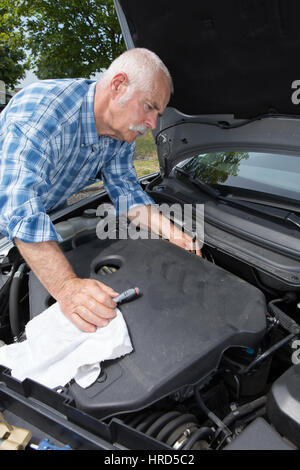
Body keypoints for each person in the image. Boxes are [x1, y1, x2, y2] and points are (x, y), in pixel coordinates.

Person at [0, 48, 201, 333]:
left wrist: (172, 233)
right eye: (149, 107)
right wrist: (67, 288)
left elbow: (127, 192)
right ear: (118, 85)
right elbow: (20, 207)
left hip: (45, 209)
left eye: (158, 114)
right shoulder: (42, 113)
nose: (153, 124)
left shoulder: (120, 133)